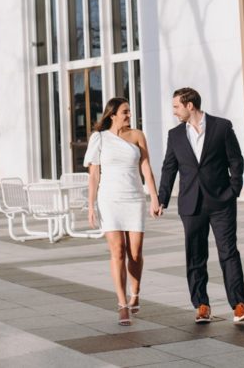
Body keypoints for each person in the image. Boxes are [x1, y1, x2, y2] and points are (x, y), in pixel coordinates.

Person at [154, 87, 244, 324]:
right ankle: (201, 305)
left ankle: (239, 305)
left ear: (190, 106)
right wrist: (162, 199)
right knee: (195, 255)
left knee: (229, 253)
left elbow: (235, 160)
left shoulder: (221, 127)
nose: (174, 112)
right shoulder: (175, 135)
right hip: (191, 204)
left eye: (177, 106)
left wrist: (233, 190)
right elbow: (169, 168)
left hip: (221, 202)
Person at [84, 97, 160, 326]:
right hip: (109, 200)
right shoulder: (99, 138)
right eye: (125, 111)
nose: (128, 115)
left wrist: (154, 197)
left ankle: (135, 293)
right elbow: (94, 175)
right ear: (112, 114)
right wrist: (91, 205)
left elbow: (146, 167)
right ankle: (121, 303)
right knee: (117, 250)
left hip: (134, 198)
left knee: (134, 253)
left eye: (129, 111)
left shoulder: (137, 135)